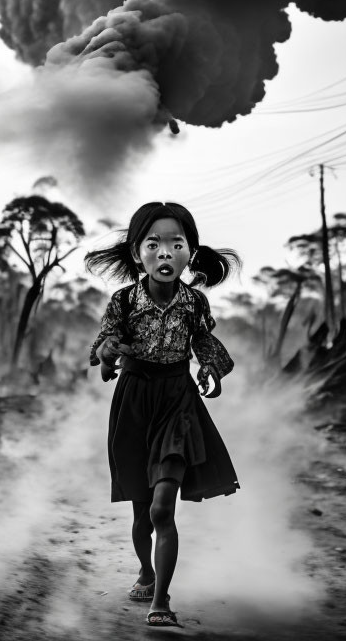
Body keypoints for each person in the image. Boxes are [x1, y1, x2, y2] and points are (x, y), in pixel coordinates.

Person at [86, 201, 241, 628]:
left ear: (190, 252)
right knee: (141, 514)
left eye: (177, 244)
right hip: (134, 401)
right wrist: (107, 357)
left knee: (161, 509)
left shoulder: (194, 302)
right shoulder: (122, 300)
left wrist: (211, 367)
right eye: (154, 244)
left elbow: (204, 342)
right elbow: (105, 344)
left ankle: (161, 603)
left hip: (177, 400)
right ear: (138, 253)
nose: (165, 253)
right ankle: (146, 570)